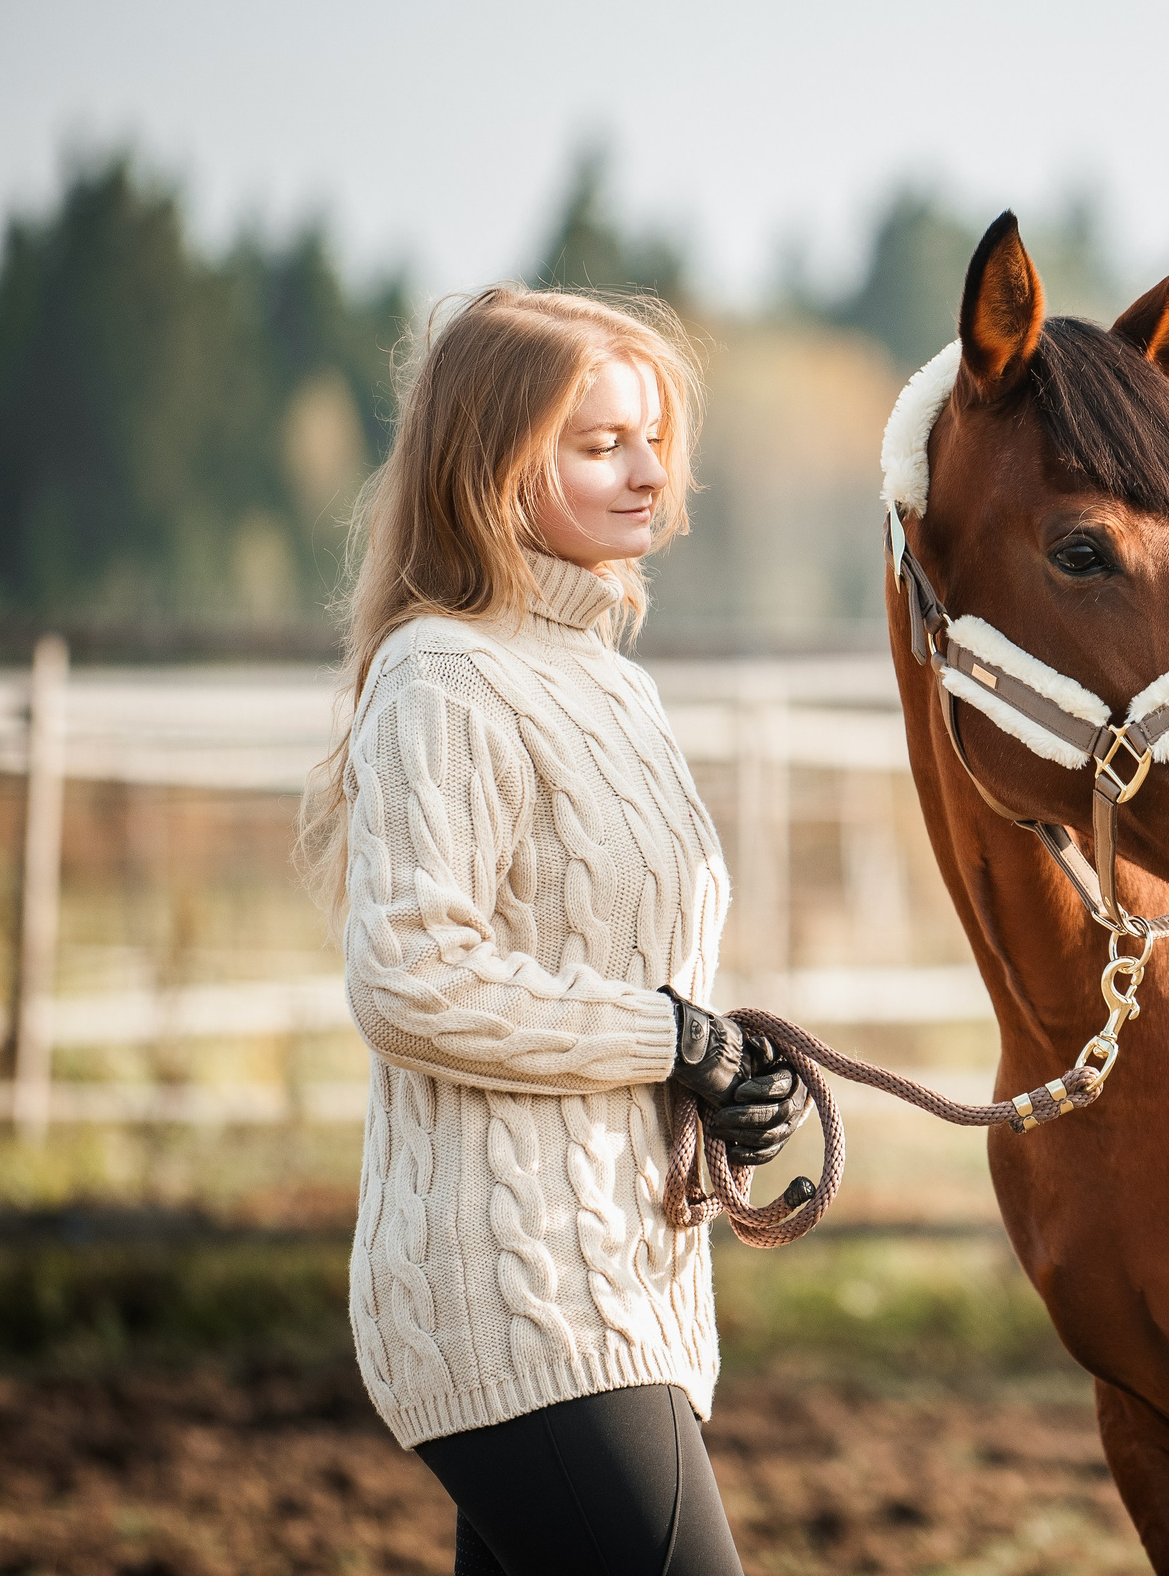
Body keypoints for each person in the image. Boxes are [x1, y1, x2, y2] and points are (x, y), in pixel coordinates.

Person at [298, 286, 806, 1576]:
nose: (649, 474)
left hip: (629, 1283)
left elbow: (631, 972)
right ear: (499, 466)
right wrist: (665, 1036)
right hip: (511, 1294)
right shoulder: (443, 677)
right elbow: (411, 975)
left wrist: (719, 1069)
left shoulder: (610, 680)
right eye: (600, 445)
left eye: (653, 438)